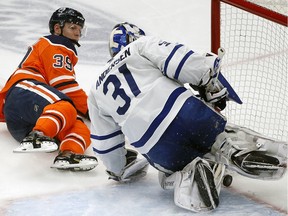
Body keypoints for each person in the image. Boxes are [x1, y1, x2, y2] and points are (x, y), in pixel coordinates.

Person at [88, 22, 287, 212]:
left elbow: (106, 143)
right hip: (188, 114)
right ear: (135, 37)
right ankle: (234, 150)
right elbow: (181, 62)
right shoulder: (140, 46)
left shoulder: (95, 91)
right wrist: (209, 80)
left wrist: (117, 169)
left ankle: (186, 174)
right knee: (219, 137)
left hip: (155, 145)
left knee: (167, 174)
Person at [0, 7, 98, 171]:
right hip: (22, 92)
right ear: (57, 28)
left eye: (80, 29)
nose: (77, 33)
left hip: (26, 120)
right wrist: (94, 111)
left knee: (78, 126)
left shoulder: (58, 46)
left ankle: (68, 155)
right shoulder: (56, 42)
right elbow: (65, 86)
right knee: (65, 106)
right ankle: (38, 135)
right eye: (73, 27)